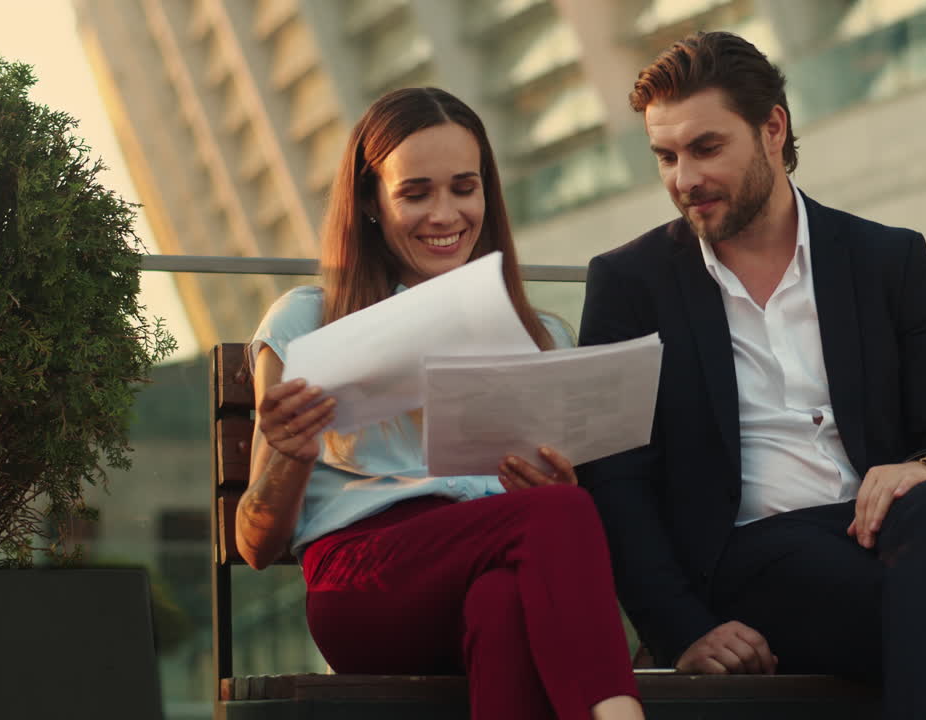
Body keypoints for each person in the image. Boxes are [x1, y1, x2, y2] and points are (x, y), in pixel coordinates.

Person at [577, 32, 926, 719]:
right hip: (748, 558)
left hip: (881, 537)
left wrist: (922, 469)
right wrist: (683, 630)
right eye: (667, 156)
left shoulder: (885, 261)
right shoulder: (631, 283)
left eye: (706, 148)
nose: (684, 179)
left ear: (772, 129)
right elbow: (615, 481)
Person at [236, 87, 643, 720]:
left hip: (497, 561)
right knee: (555, 516)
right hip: (363, 584)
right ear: (370, 202)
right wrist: (290, 455)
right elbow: (255, 545)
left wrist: (552, 485)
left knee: (503, 602)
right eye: (416, 193)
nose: (445, 214)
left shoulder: (544, 337)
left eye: (463, 188)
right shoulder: (305, 321)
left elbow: (550, 517)